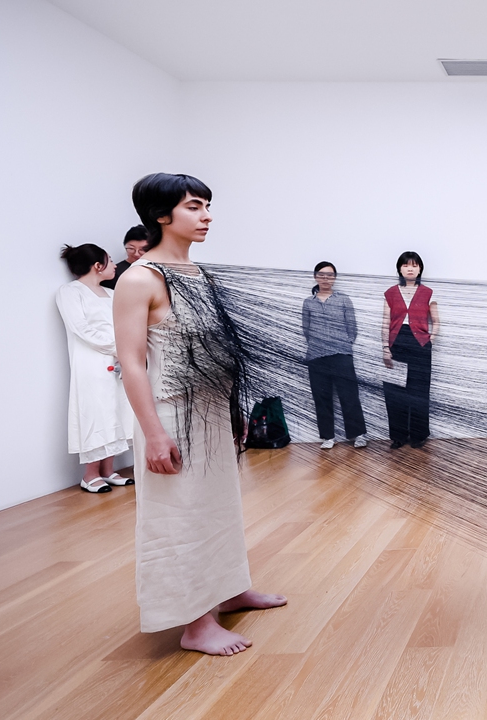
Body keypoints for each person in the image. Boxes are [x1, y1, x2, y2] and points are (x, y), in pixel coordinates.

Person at [114, 172, 285, 656]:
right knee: (179, 516)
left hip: (211, 415)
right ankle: (195, 623)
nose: (206, 215)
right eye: (194, 206)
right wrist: (152, 435)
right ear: (161, 216)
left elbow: (216, 352)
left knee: (219, 508)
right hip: (170, 416)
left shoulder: (198, 274)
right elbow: (131, 361)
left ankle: (229, 590)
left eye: (207, 205)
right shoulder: (139, 278)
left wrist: (233, 414)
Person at [56, 244, 134, 492]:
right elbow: (81, 329)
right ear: (97, 266)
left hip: (118, 360)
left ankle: (108, 470)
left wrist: (125, 351)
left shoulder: (112, 294)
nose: (114, 265)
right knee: (95, 412)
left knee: (117, 410)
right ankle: (89, 475)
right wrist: (117, 348)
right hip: (91, 363)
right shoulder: (70, 292)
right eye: (110, 261)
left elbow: (124, 325)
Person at [302, 262, 367, 449]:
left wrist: (342, 343)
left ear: (334, 278)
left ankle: (358, 435)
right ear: (315, 276)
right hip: (316, 356)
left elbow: (352, 327)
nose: (325, 278)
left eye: (329, 275)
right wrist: (319, 344)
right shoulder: (308, 302)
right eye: (321, 275)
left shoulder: (343, 299)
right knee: (321, 397)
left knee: (349, 395)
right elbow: (306, 330)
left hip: (341, 354)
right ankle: (328, 437)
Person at [382, 251, 439, 449]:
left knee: (419, 392)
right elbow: (385, 322)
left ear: (420, 269)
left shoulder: (428, 292)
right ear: (400, 268)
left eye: (414, 265)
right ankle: (398, 436)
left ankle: (418, 435)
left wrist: (432, 335)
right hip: (397, 343)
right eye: (406, 265)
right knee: (395, 392)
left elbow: (436, 320)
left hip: (420, 345)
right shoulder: (390, 293)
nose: (410, 268)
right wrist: (385, 348)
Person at [100, 225, 148, 290]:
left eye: (142, 249)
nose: (136, 254)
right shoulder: (114, 273)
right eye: (131, 248)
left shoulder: (157, 269)